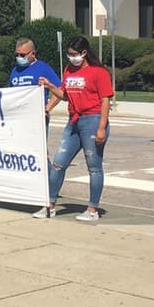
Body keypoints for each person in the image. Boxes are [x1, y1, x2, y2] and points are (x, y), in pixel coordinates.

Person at [37, 35, 114, 221]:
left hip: (92, 120)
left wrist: (101, 127)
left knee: (94, 166)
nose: (72, 57)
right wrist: (49, 86)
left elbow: (105, 100)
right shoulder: (69, 70)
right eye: (69, 54)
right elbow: (64, 95)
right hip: (74, 121)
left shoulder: (99, 72)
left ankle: (92, 209)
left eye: (74, 54)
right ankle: (50, 205)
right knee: (58, 163)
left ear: (84, 53)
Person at [9, 36, 58, 125]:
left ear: (33, 53)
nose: (19, 57)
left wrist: (47, 109)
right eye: (17, 55)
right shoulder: (15, 70)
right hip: (18, 117)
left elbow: (59, 89)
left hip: (37, 117)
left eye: (22, 55)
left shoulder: (43, 68)